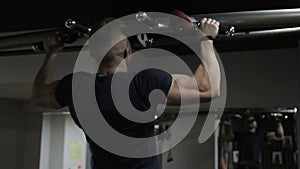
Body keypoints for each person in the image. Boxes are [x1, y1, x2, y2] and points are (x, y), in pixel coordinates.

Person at [31, 15, 221, 169]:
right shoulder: (143, 83)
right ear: (128, 52)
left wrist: (52, 53)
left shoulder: (74, 87)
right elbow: (208, 88)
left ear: (92, 54)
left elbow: (38, 96)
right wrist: (206, 39)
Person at [220, 114, 285, 169]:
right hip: (243, 165)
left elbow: (280, 136)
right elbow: (224, 137)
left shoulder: (261, 134)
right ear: (245, 123)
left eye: (252, 121)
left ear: (256, 123)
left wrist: (278, 123)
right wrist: (223, 123)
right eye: (248, 121)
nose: (249, 122)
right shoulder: (240, 134)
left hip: (255, 165)